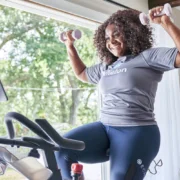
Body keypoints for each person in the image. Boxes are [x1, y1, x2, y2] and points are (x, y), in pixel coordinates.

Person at [55, 4, 180, 180]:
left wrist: (166, 22)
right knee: (62, 149)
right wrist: (70, 46)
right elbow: (82, 74)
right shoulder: (107, 65)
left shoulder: (147, 57)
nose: (110, 41)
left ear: (131, 33)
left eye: (116, 34)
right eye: (106, 37)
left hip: (137, 132)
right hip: (105, 128)